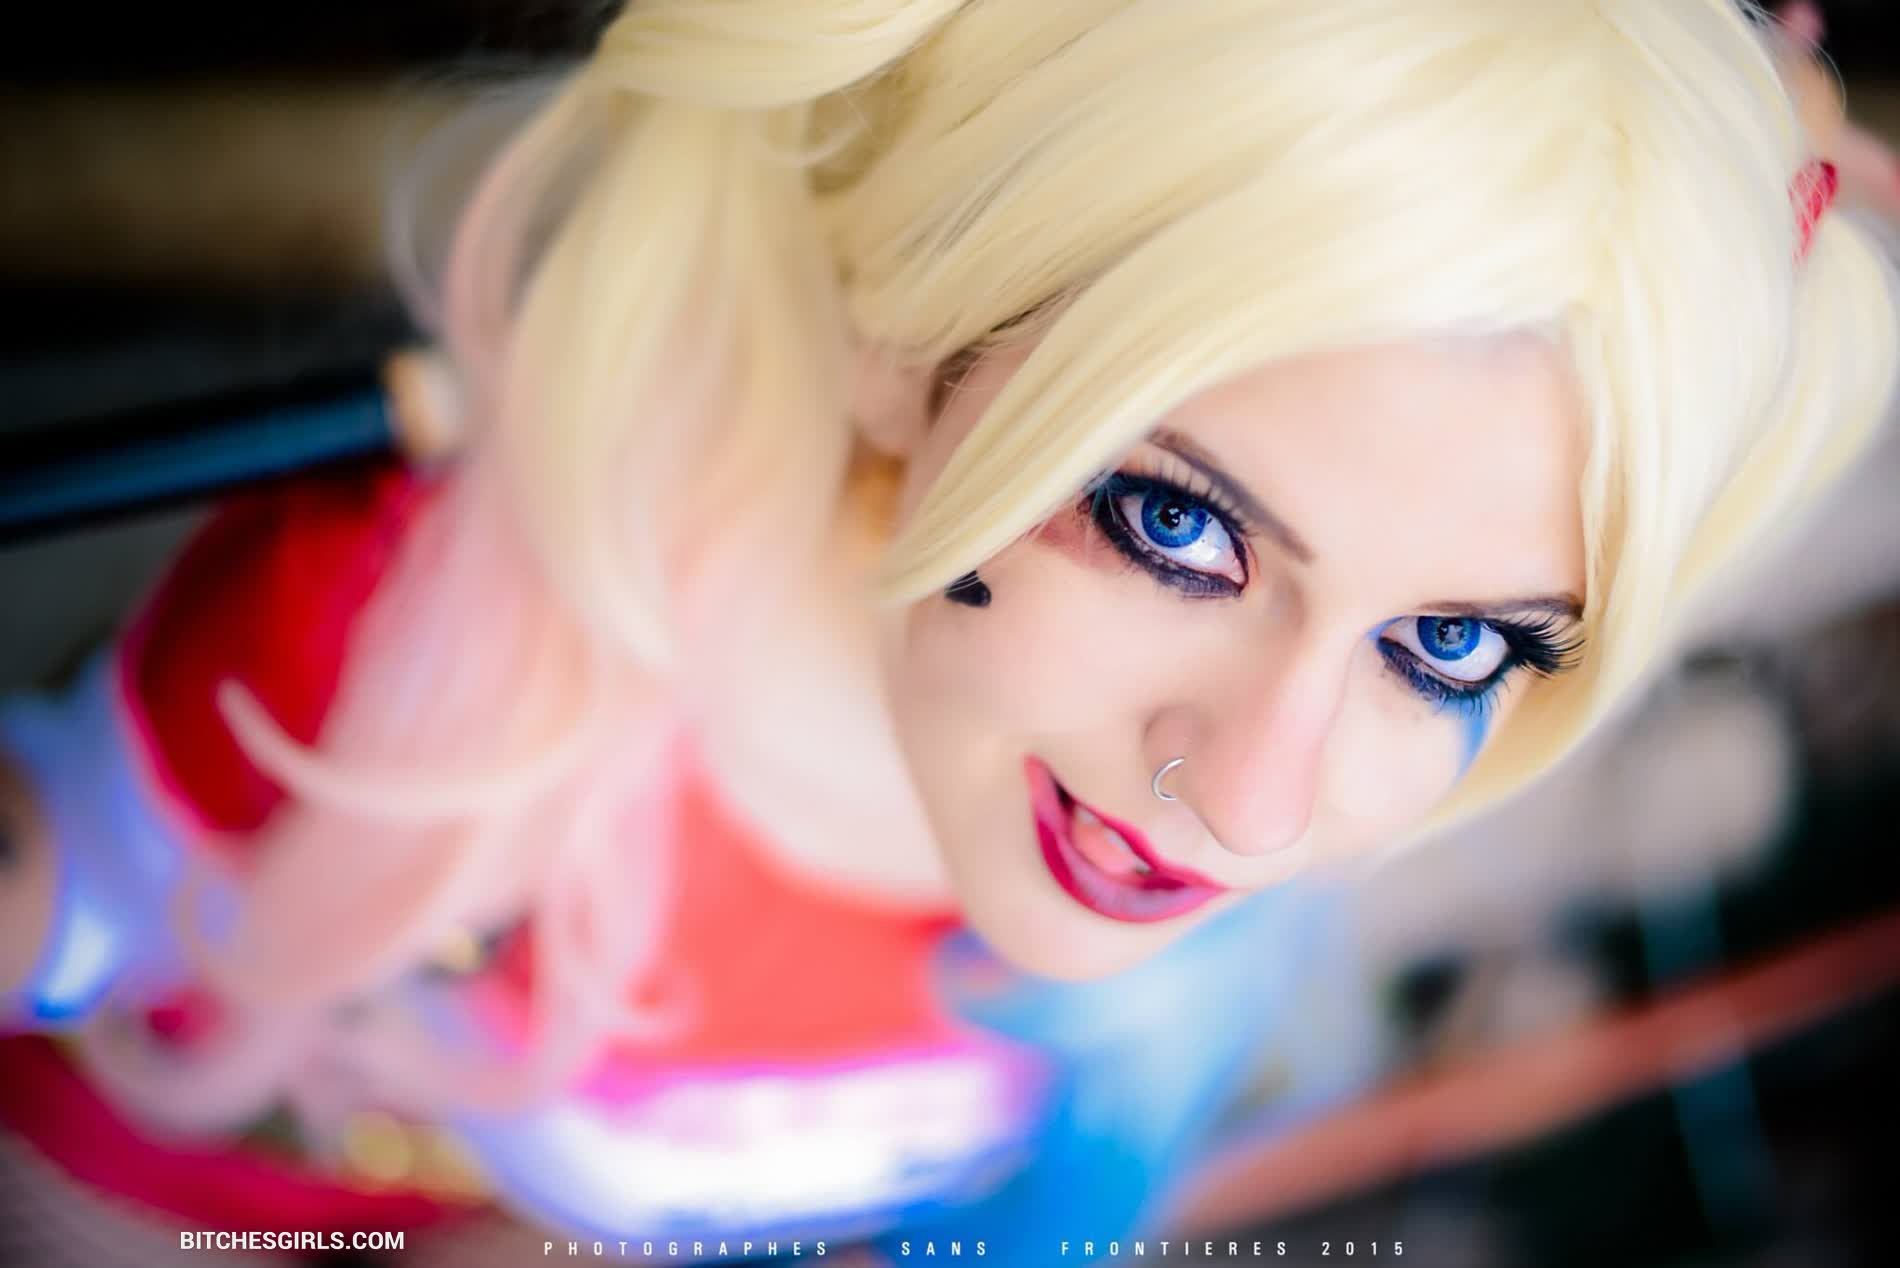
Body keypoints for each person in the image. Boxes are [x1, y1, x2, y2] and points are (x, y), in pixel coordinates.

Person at [1, 1, 1894, 1263]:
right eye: (1175, 525)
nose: (1254, 807)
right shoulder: (399, 639)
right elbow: (68, 906)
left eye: (1454, 647)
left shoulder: (1172, 856)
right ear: (906, 337)